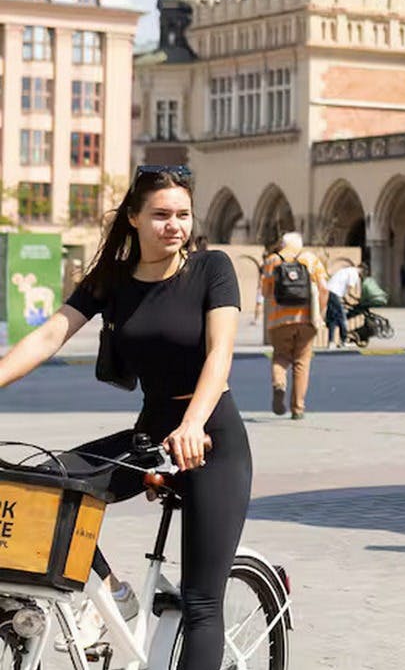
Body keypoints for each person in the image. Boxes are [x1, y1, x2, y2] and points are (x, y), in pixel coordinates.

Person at [0, 165, 250, 670]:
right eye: (161, 215)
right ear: (134, 218)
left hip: (209, 436)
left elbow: (220, 354)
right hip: (150, 437)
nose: (174, 225)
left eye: (183, 214)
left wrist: (193, 423)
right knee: (48, 490)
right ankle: (112, 595)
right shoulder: (111, 281)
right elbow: (49, 336)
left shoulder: (212, 269)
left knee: (202, 602)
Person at [260, 232, 328, 420]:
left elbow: (265, 292)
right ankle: (298, 409)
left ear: (283, 244)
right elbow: (324, 288)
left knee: (280, 357)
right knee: (302, 362)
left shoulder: (272, 260)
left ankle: (279, 384)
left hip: (279, 320)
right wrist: (321, 313)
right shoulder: (311, 259)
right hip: (307, 319)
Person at [325, 260, 361, 347]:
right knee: (342, 317)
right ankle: (344, 340)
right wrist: (358, 299)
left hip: (328, 292)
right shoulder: (354, 273)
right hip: (335, 293)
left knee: (333, 319)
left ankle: (331, 342)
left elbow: (344, 292)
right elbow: (350, 291)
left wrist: (345, 299)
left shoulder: (346, 270)